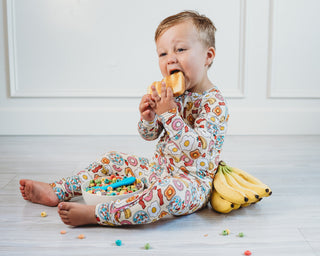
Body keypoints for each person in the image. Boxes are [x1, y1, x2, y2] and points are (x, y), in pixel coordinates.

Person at [19, 10, 229, 226]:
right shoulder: (172, 93)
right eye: (162, 54)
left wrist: (168, 113)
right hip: (158, 171)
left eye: (181, 49)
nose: (170, 59)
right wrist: (148, 118)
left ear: (208, 56)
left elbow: (198, 148)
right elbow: (151, 136)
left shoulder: (214, 103)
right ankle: (58, 190)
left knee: (164, 193)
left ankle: (98, 214)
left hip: (189, 184)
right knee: (112, 159)